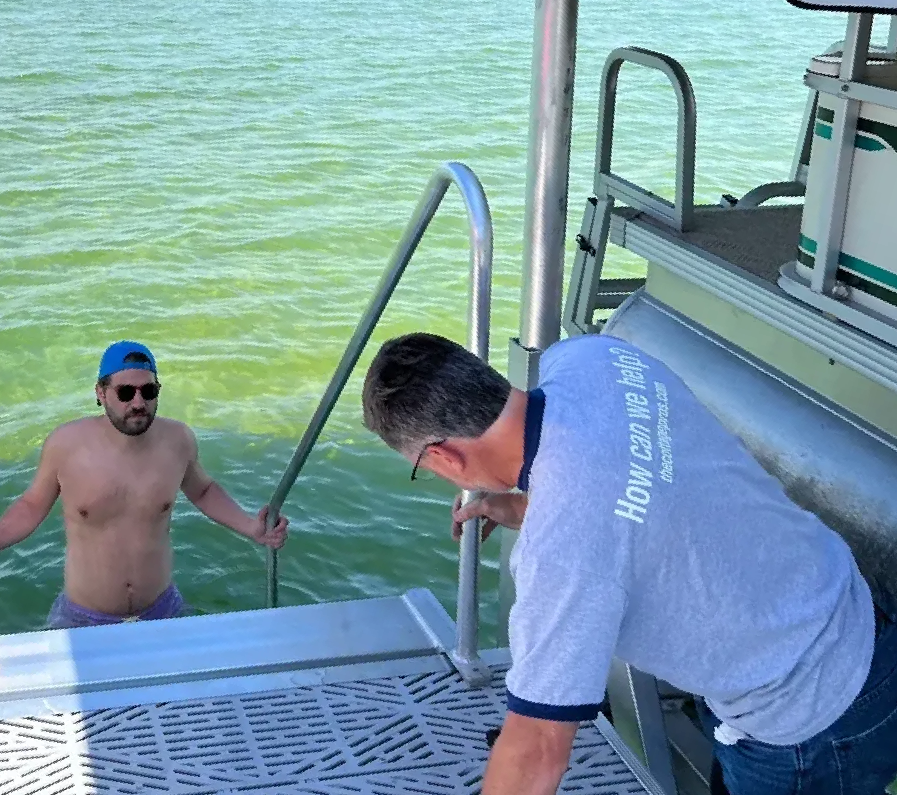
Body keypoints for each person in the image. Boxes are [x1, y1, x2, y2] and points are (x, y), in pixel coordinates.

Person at [361, 331, 897, 795]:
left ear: (443, 456)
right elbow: (635, 488)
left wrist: (550, 519)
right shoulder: (594, 357)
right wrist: (531, 507)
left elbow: (538, 749)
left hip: (807, 718)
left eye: (423, 468)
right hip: (853, 611)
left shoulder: (560, 556)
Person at [0, 341, 288, 628]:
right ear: (101, 393)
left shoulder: (178, 440)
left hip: (162, 609)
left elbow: (203, 490)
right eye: (125, 392)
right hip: (82, 617)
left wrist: (251, 527)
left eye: (148, 391)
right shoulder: (66, 445)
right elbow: (31, 506)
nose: (138, 403)